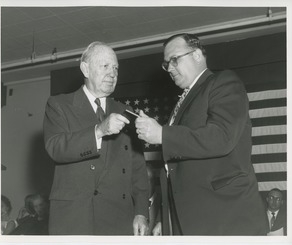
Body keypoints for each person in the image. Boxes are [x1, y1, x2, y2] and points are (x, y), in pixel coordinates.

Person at [135, 33, 268, 235]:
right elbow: (175, 170)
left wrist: (162, 134)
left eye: (174, 59)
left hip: (226, 217)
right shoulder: (184, 100)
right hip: (190, 218)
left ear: (197, 55)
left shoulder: (223, 82)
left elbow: (222, 137)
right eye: (166, 64)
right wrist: (168, 218)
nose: (169, 68)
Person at [43, 41, 149, 235]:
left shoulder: (126, 112)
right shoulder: (59, 105)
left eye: (116, 68)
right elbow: (55, 148)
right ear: (85, 69)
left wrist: (141, 212)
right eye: (105, 66)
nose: (113, 73)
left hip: (118, 218)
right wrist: (99, 131)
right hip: (76, 217)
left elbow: (138, 169)